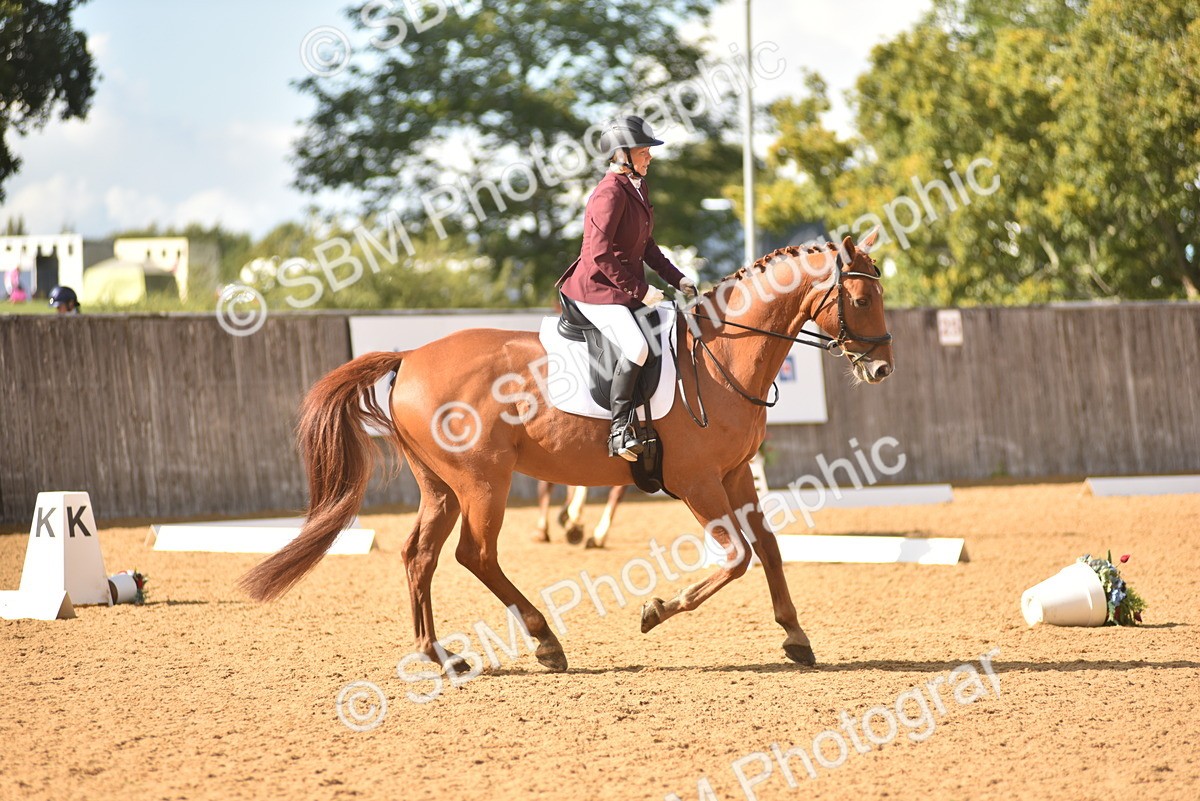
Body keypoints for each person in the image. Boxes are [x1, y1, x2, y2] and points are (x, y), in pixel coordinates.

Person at [556, 115, 697, 460]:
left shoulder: (637, 187)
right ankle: (619, 430)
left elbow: (647, 246)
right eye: (644, 150)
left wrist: (677, 278)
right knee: (636, 347)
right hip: (596, 291)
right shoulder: (608, 194)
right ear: (622, 154)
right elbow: (600, 255)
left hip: (620, 290)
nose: (650, 156)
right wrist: (642, 291)